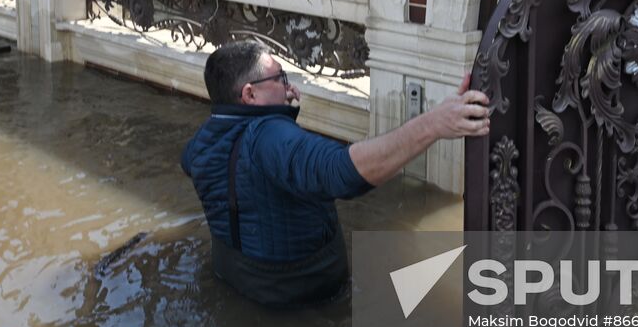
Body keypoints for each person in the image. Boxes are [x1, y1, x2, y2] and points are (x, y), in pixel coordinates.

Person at [181, 40, 490, 307]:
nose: (290, 86)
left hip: (231, 275)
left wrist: (279, 111)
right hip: (299, 295)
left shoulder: (204, 139)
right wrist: (434, 124)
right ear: (250, 94)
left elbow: (227, 170)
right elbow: (341, 171)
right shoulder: (270, 138)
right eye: (280, 77)